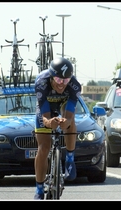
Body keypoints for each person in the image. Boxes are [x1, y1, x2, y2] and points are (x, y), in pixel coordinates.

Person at [33, 57, 82, 200]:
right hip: (46, 104)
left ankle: (70, 159)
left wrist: (65, 121)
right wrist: (49, 123)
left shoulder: (75, 85)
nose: (62, 84)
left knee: (70, 122)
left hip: (64, 103)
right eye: (59, 80)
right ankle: (39, 188)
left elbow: (70, 111)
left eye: (66, 81)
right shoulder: (41, 82)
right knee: (44, 147)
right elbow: (45, 116)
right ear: (51, 77)